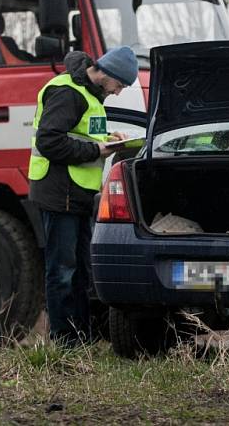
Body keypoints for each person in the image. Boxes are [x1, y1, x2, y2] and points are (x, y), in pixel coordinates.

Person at [28, 47, 139, 345]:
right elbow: (50, 141)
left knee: (80, 272)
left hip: (77, 193)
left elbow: (81, 135)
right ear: (107, 73)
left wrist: (109, 138)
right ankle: (64, 342)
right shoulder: (67, 92)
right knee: (62, 271)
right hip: (58, 190)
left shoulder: (91, 95)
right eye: (119, 85)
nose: (117, 93)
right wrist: (96, 150)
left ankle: (80, 339)